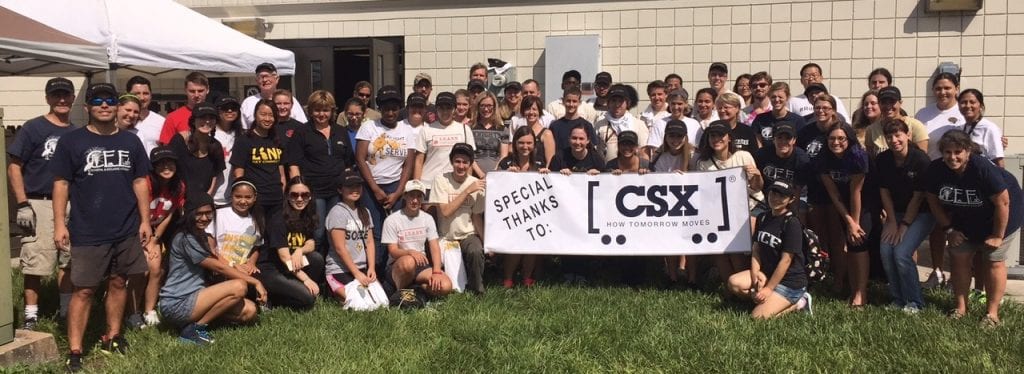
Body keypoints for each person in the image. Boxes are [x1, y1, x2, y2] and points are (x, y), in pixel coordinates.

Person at [51, 83, 151, 371]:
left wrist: (145, 221)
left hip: (126, 227)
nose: (104, 105)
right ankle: (75, 349)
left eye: (110, 100)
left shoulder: (131, 142)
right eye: (97, 100)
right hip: (87, 230)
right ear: (87, 107)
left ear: (118, 106)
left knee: (120, 282)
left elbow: (140, 181)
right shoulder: (72, 141)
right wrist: (60, 223)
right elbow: (61, 183)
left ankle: (114, 336)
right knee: (84, 290)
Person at [925, 131, 1022, 326]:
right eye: (947, 152)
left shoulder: (982, 168)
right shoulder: (936, 169)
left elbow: (1003, 203)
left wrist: (996, 235)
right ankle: (960, 308)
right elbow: (932, 200)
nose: (953, 157)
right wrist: (949, 229)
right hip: (964, 217)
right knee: (958, 256)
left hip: (1001, 216)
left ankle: (992, 315)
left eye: (958, 152)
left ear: (968, 151)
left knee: (993, 259)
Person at [9, 77, 76, 330]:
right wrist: (23, 203)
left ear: (71, 98)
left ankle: (66, 311)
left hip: (71, 204)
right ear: (47, 98)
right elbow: (15, 167)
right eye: (56, 95)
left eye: (66, 95)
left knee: (68, 260)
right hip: (39, 202)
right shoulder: (33, 128)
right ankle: (31, 315)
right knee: (35, 262)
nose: (61, 99)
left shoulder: (77, 132)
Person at [159, 194, 266, 345]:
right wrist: (255, 282)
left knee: (250, 311)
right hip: (177, 303)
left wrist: (236, 265)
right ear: (189, 213)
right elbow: (218, 266)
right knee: (239, 286)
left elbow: (218, 261)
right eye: (199, 213)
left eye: (208, 213)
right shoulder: (185, 237)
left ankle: (192, 323)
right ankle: (194, 330)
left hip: (197, 297)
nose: (204, 218)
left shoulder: (200, 234)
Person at [726, 180, 812, 319]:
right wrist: (756, 279)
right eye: (773, 193)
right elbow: (756, 250)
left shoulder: (792, 223)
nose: (775, 198)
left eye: (782, 196)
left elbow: (786, 261)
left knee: (757, 318)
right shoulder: (763, 217)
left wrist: (768, 289)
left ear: (791, 199)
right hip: (767, 274)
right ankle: (766, 300)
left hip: (789, 281)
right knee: (734, 283)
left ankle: (800, 302)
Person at [286, 90, 353, 255]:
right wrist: (298, 190)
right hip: (315, 191)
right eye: (317, 110)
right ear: (310, 111)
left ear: (332, 111)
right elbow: (293, 164)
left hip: (337, 191)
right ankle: (317, 271)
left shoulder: (341, 131)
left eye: (325, 110)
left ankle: (335, 269)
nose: (321, 114)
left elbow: (347, 163)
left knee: (337, 231)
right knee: (318, 233)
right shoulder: (302, 132)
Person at [876, 119, 933, 313]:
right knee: (886, 251)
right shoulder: (883, 160)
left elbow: (918, 199)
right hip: (896, 213)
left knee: (901, 253)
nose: (894, 140)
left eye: (898, 135)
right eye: (889, 136)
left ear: (907, 135)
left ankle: (915, 302)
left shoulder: (920, 160)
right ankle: (898, 298)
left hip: (922, 213)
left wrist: (904, 225)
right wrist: (892, 221)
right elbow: (884, 192)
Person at [695, 121, 763, 281]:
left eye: (721, 135)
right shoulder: (703, 163)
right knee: (719, 244)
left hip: (751, 206)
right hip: (721, 212)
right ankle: (730, 285)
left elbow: (757, 188)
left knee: (740, 239)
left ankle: (746, 279)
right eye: (713, 135)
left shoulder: (743, 156)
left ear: (729, 138)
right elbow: (704, 194)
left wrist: (757, 175)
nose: (716, 139)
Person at [355, 86, 414, 269]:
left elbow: (408, 164)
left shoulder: (407, 129)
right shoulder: (369, 127)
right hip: (372, 187)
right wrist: (375, 189)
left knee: (396, 232)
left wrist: (398, 192)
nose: (390, 112)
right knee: (376, 231)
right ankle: (376, 271)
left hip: (395, 186)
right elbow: (360, 158)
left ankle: (395, 271)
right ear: (380, 108)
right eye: (386, 108)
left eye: (394, 108)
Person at [128, 146, 186, 329]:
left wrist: (155, 239)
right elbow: (135, 211)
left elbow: (170, 213)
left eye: (170, 163)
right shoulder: (145, 183)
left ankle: (150, 310)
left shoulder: (179, 186)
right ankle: (132, 312)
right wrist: (144, 242)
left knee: (155, 269)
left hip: (153, 232)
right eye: (161, 164)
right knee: (141, 270)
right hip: (135, 231)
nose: (166, 167)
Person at [818, 124, 872, 308]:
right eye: (832, 138)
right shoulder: (823, 159)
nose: (836, 142)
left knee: (858, 243)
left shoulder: (858, 157)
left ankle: (861, 293)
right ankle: (851, 285)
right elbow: (834, 194)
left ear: (849, 139)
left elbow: (856, 192)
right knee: (849, 243)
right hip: (842, 205)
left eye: (841, 138)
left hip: (865, 203)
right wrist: (848, 220)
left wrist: (854, 223)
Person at [256, 177, 325, 309]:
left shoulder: (306, 215)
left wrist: (300, 251)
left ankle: (290, 291)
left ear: (310, 197)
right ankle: (274, 298)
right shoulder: (278, 219)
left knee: (316, 259)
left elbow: (311, 243)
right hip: (271, 269)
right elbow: (285, 257)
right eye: (294, 195)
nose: (299, 199)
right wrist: (306, 280)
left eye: (305, 195)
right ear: (287, 196)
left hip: (290, 267)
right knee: (307, 299)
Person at [430, 143, 487, 293]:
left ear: (470, 164)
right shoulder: (441, 180)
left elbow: (476, 217)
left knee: (475, 250)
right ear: (451, 162)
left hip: (468, 233)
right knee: (453, 287)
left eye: (465, 162)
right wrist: (467, 191)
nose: (461, 166)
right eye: (457, 161)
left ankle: (477, 291)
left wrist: (486, 242)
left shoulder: (476, 184)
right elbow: (445, 212)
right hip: (446, 236)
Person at [384, 180, 453, 299]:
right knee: (408, 262)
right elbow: (393, 251)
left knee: (446, 286)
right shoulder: (392, 220)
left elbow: (434, 247)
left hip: (421, 265)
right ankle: (401, 294)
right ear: (405, 196)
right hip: (398, 264)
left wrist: (436, 272)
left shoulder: (427, 218)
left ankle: (417, 290)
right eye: (411, 195)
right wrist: (410, 252)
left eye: (419, 196)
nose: (415, 200)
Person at [496, 129, 546, 288]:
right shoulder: (506, 163)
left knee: (531, 246)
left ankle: (526, 277)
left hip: (534, 212)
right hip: (511, 213)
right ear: (515, 144)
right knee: (515, 246)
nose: (525, 146)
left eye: (529, 143)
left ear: (534, 144)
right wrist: (504, 174)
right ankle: (508, 278)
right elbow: (495, 185)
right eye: (521, 143)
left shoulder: (539, 163)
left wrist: (547, 174)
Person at [325, 172, 378, 300]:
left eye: (358, 186)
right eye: (350, 186)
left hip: (362, 268)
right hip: (340, 269)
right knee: (358, 302)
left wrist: (371, 268)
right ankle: (332, 289)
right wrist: (356, 274)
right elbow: (339, 248)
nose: (355, 190)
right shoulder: (337, 212)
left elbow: (369, 242)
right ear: (340, 189)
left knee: (380, 301)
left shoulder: (365, 211)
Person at [412, 91, 480, 190]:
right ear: (436, 109)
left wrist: (466, 184)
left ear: (454, 109)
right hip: (429, 185)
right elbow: (418, 160)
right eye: (441, 108)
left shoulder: (465, 129)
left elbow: (469, 161)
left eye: (448, 108)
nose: (445, 112)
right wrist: (416, 186)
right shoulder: (426, 130)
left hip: (455, 185)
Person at [231, 99, 287, 219]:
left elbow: (281, 173)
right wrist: (244, 198)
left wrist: (282, 194)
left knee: (276, 236)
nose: (267, 119)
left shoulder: (277, 140)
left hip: (276, 200)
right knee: (255, 236)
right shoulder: (244, 140)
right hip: (255, 201)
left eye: (271, 115)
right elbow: (238, 173)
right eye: (263, 114)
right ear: (255, 115)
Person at [169, 102, 227, 200]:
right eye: (202, 117)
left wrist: (209, 194)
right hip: (178, 200)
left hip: (203, 201)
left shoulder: (216, 145)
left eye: (211, 118)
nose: (207, 121)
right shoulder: (179, 140)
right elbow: (170, 167)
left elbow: (215, 173)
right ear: (193, 121)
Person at [208, 179, 263, 278]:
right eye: (238, 196)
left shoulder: (256, 221)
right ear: (231, 196)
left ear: (255, 198)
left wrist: (251, 263)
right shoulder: (218, 215)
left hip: (244, 269)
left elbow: (256, 247)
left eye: (248, 197)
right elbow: (210, 248)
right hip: (220, 269)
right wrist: (231, 266)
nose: (243, 201)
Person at [865, 87, 929, 157]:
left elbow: (922, 158)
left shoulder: (915, 126)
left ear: (900, 103)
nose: (888, 106)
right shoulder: (871, 130)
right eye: (884, 102)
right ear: (879, 104)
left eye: (892, 102)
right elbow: (871, 159)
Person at [241, 62, 307, 128]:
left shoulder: (288, 100)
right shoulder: (248, 103)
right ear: (256, 80)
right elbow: (243, 130)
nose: (265, 80)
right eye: (261, 77)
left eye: (268, 76)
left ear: (277, 79)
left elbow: (303, 126)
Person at [916, 73, 965, 160]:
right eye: (938, 89)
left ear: (957, 89)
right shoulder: (922, 114)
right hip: (931, 168)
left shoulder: (964, 112)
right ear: (933, 90)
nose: (942, 92)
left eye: (947, 88)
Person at [595, 84, 648, 162]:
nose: (617, 105)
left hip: (631, 172)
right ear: (608, 103)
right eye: (613, 101)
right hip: (606, 171)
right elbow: (595, 151)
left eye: (620, 101)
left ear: (628, 103)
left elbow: (644, 153)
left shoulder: (638, 124)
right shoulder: (599, 124)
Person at [159, 72, 210, 145]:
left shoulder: (215, 115)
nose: (196, 95)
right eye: (192, 91)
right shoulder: (173, 117)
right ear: (185, 90)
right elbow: (166, 147)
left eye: (200, 91)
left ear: (207, 90)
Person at [958, 89, 1004, 167]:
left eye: (972, 102)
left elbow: (999, 161)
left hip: (984, 175)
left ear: (981, 106)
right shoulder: (961, 128)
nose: (968, 106)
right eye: (963, 102)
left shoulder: (989, 128)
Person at [212, 96, 244, 206]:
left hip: (234, 198)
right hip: (211, 196)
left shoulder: (243, 135)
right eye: (225, 108)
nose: (230, 111)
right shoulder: (210, 133)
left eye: (234, 108)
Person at [647, 91, 702, 155]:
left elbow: (698, 149)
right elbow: (655, 149)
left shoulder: (694, 124)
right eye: (673, 104)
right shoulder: (659, 123)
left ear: (685, 104)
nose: (676, 107)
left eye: (679, 104)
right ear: (669, 104)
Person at [547, 86, 597, 155]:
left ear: (579, 103)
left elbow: (592, 151)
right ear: (563, 101)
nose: (571, 104)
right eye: (568, 101)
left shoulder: (587, 126)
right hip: (560, 164)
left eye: (574, 101)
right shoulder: (555, 126)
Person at [126, 76, 165, 155]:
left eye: (146, 93)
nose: (142, 98)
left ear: (151, 95)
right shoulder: (121, 121)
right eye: (137, 93)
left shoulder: (161, 122)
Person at [471, 92, 508, 175]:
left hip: (497, 175)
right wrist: (481, 175)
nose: (486, 109)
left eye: (489, 106)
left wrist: (494, 173)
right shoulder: (469, 128)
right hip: (474, 175)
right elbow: (469, 155)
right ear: (478, 107)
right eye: (483, 105)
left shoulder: (503, 129)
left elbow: (504, 156)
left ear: (494, 107)